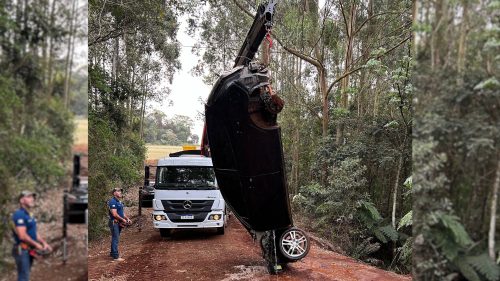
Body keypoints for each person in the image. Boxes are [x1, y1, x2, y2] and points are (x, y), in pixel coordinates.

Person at [11, 190, 52, 281]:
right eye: (29, 197)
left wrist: (44, 243)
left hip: (29, 249)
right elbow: (22, 235)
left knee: (26, 275)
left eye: (32, 197)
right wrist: (37, 245)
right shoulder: (19, 214)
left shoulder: (29, 215)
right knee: (23, 277)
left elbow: (34, 232)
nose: (32, 199)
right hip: (22, 250)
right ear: (22, 200)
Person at [108, 187, 131, 261]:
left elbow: (122, 212)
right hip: (114, 222)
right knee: (116, 238)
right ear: (114, 193)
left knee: (115, 237)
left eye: (120, 191)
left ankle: (112, 253)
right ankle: (115, 256)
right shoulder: (112, 202)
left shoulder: (119, 202)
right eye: (118, 191)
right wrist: (123, 220)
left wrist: (127, 218)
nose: (120, 192)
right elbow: (114, 214)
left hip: (119, 222)